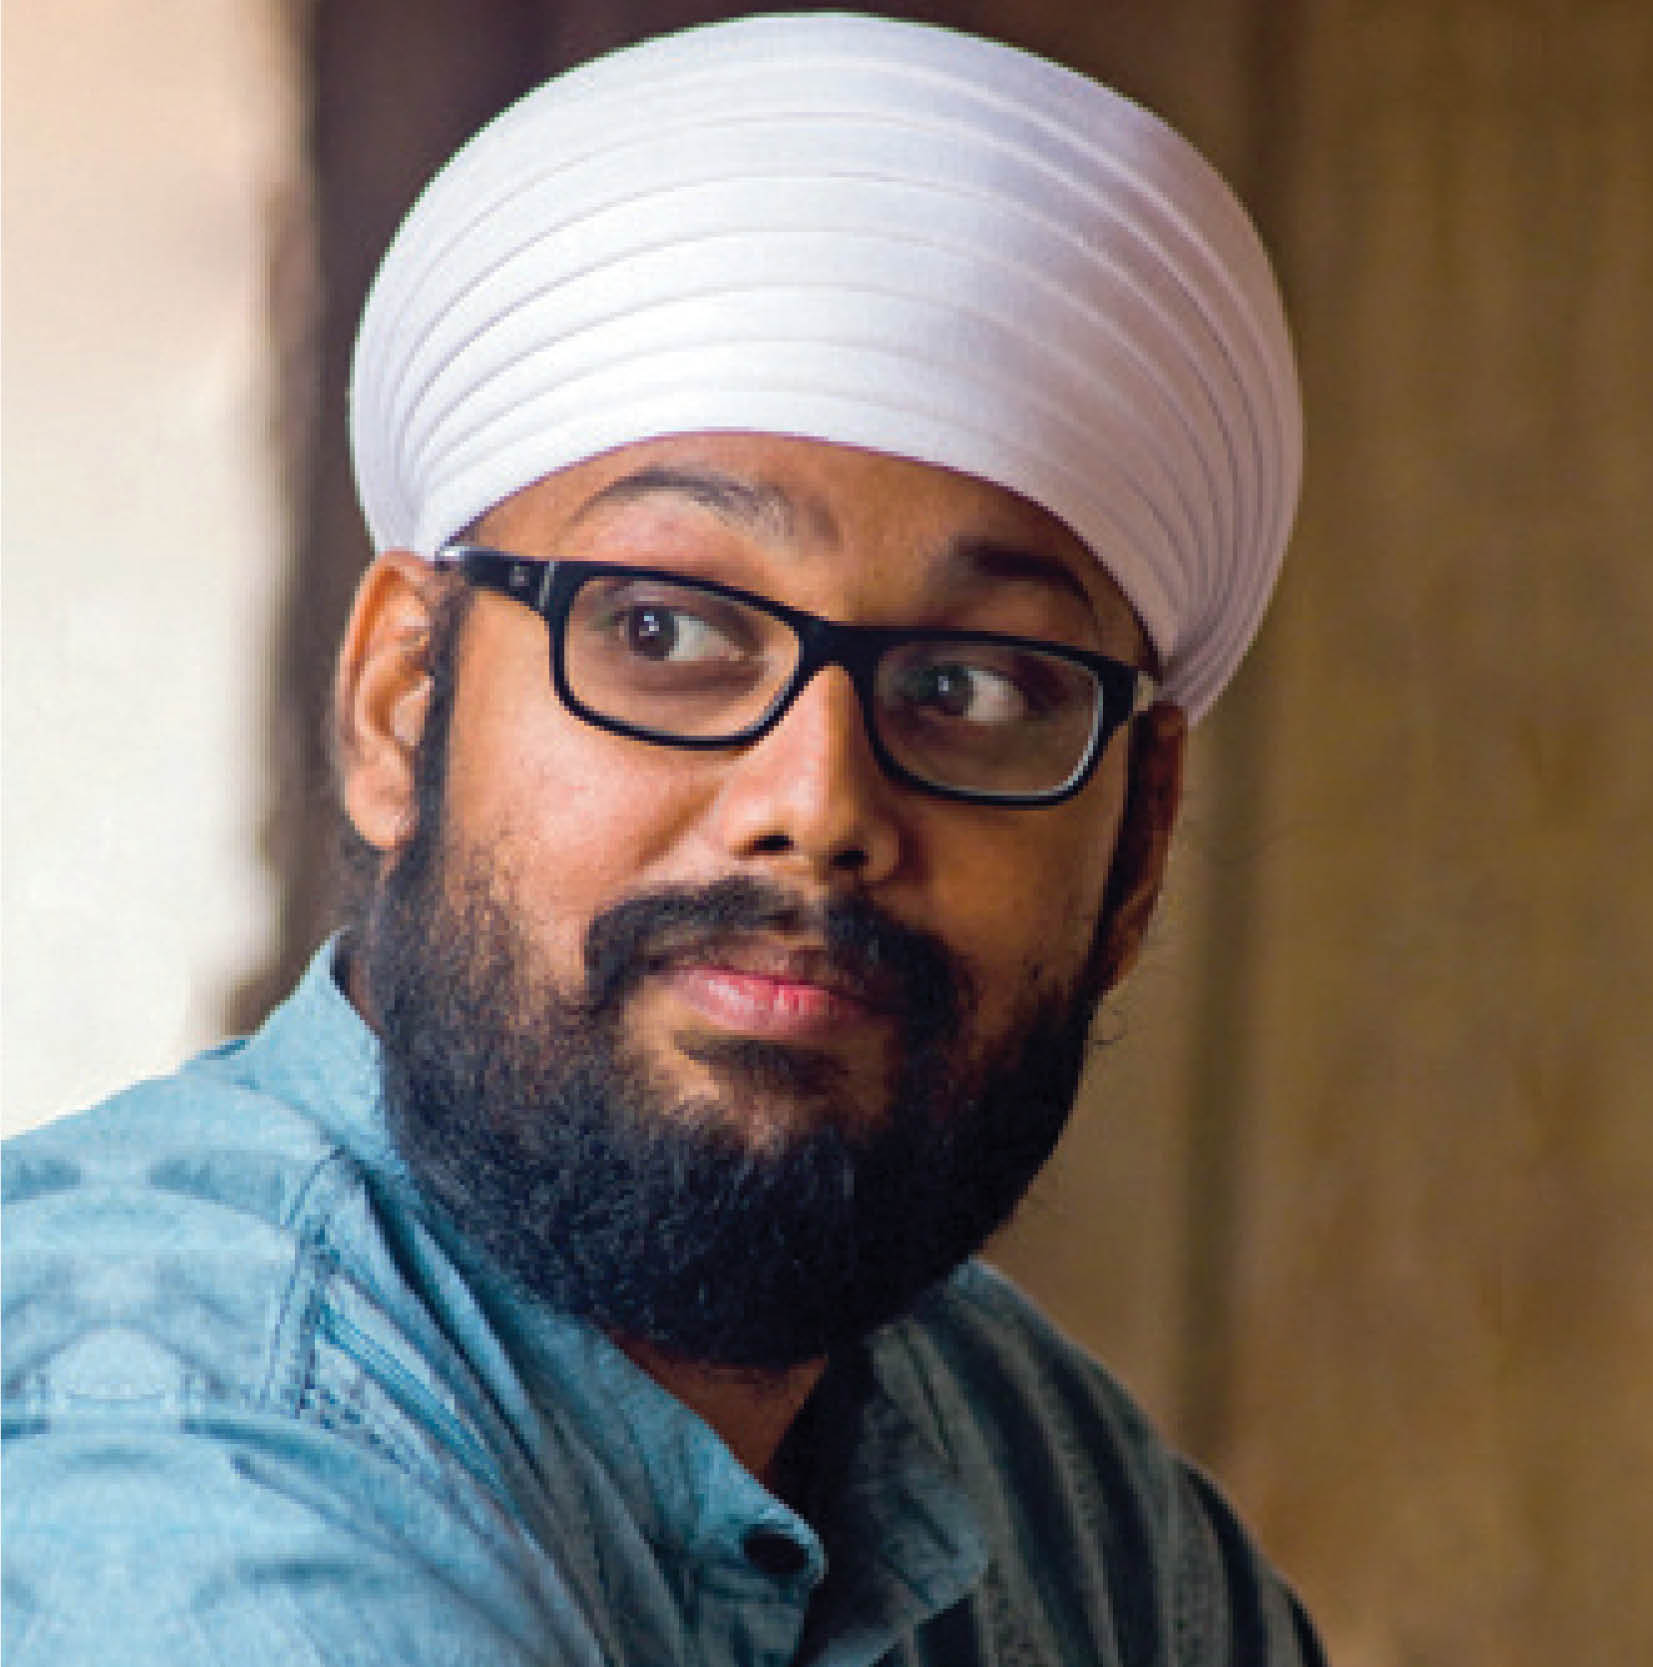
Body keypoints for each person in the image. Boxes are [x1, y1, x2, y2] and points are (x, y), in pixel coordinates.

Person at [3, 14, 1319, 1664]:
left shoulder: (1048, 1479)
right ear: (405, 703)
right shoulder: (182, 1449)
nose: (819, 806)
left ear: (1139, 850)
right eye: (665, 633)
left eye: (972, 686)